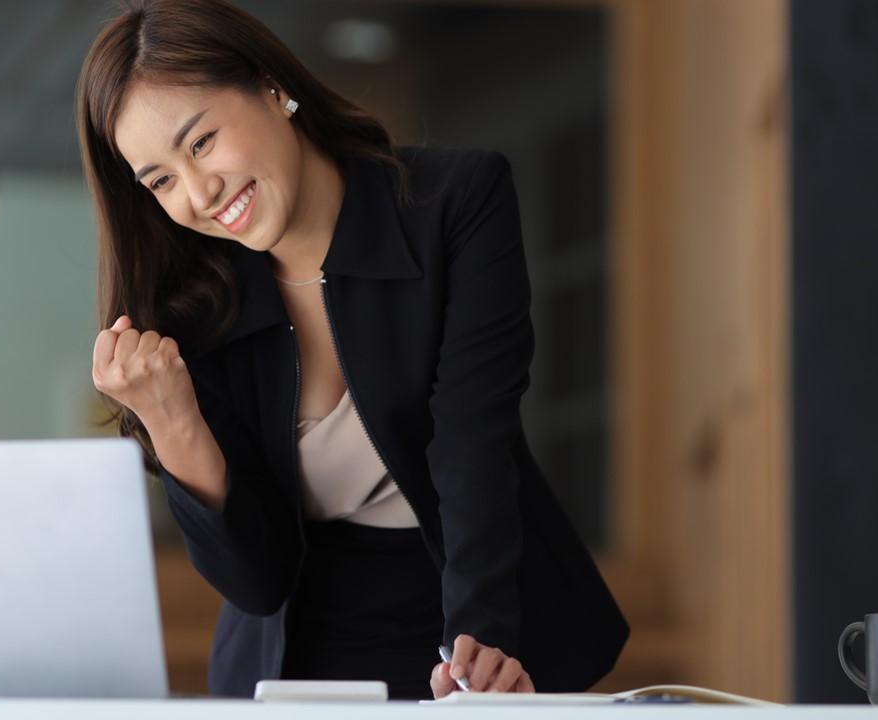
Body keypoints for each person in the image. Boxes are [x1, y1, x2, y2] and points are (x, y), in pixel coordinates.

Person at [78, 0, 627, 701]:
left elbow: (472, 439)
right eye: (159, 180)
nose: (199, 192)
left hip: (475, 617)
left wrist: (481, 644)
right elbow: (255, 580)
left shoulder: (455, 204)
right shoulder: (190, 315)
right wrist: (171, 420)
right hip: (293, 661)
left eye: (201, 142)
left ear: (271, 86)